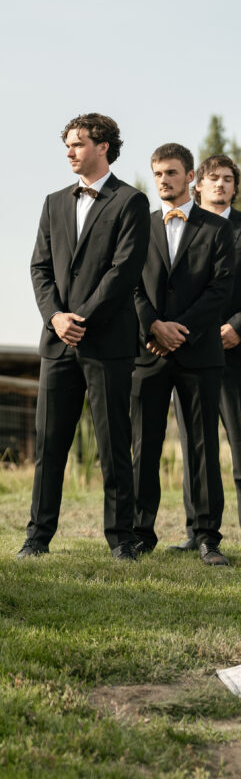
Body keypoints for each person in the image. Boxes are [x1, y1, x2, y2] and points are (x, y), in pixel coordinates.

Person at [19, 114, 149, 561]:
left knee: (114, 445)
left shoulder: (131, 201)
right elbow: (39, 268)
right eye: (68, 145)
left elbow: (124, 269)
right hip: (57, 343)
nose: (70, 152)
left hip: (107, 343)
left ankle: (121, 539)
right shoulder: (54, 202)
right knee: (50, 444)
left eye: (78, 144)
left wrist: (82, 319)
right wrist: (56, 317)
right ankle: (37, 538)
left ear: (104, 147)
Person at [132, 143, 234, 566]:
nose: (163, 180)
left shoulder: (218, 228)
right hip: (149, 351)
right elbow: (128, 284)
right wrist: (153, 326)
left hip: (199, 352)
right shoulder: (138, 226)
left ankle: (208, 537)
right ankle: (139, 534)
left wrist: (181, 332)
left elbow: (221, 288)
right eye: (157, 173)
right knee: (144, 446)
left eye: (171, 173)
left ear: (190, 177)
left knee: (203, 447)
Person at [170, 154, 241, 552]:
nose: (220, 185)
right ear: (197, 183)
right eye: (213, 178)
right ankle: (197, 533)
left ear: (234, 187)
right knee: (195, 446)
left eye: (228, 179)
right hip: (192, 349)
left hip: (234, 352)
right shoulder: (182, 225)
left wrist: (238, 327)